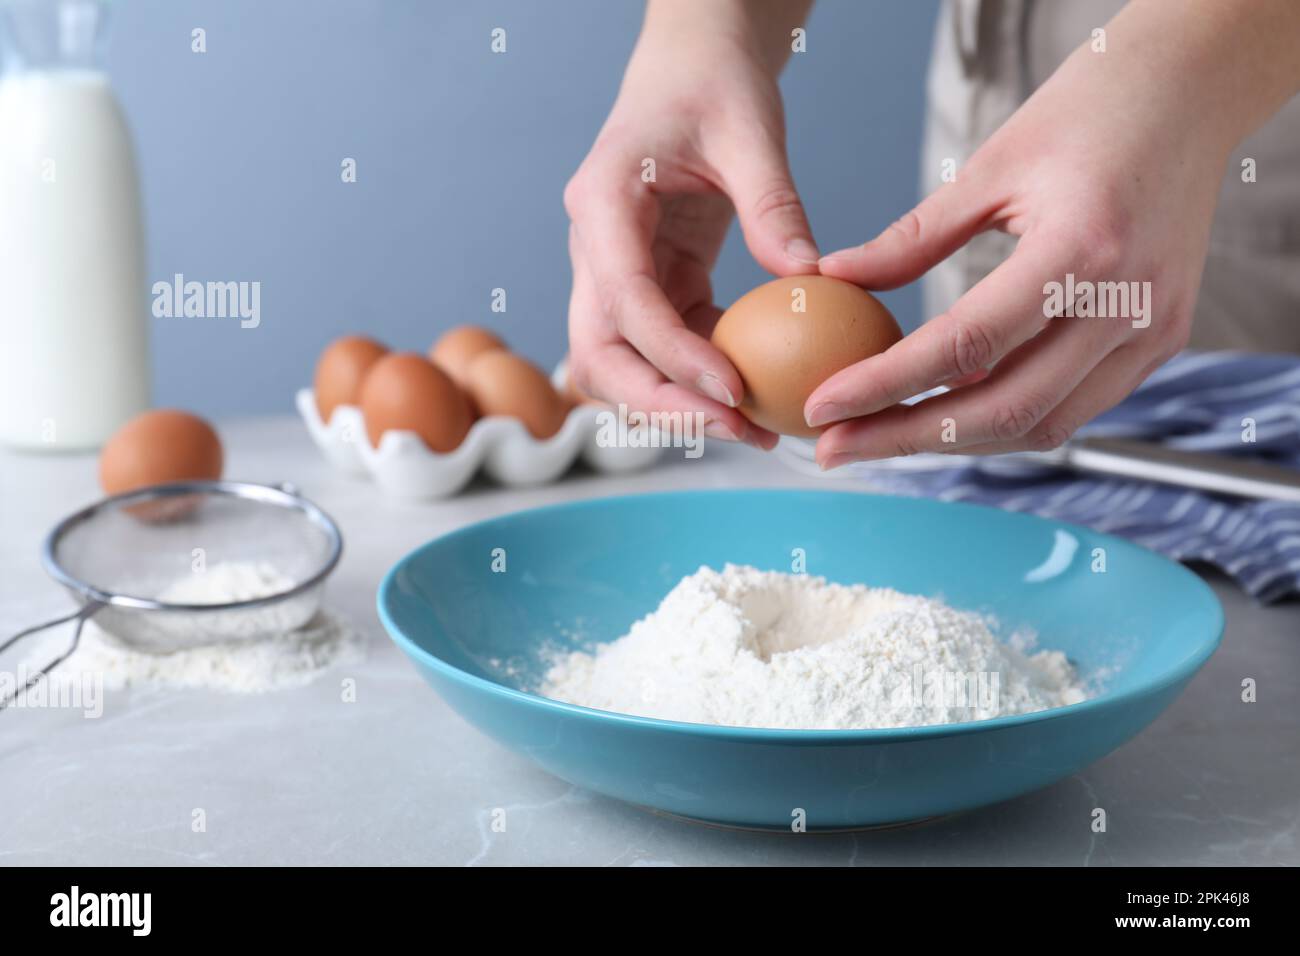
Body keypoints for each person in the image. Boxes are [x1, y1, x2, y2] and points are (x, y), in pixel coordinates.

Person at [562, 0, 1300, 468]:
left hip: (1250, 101)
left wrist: (1181, 91)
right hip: (993, 64)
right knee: (1002, 426)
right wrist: (701, 31)